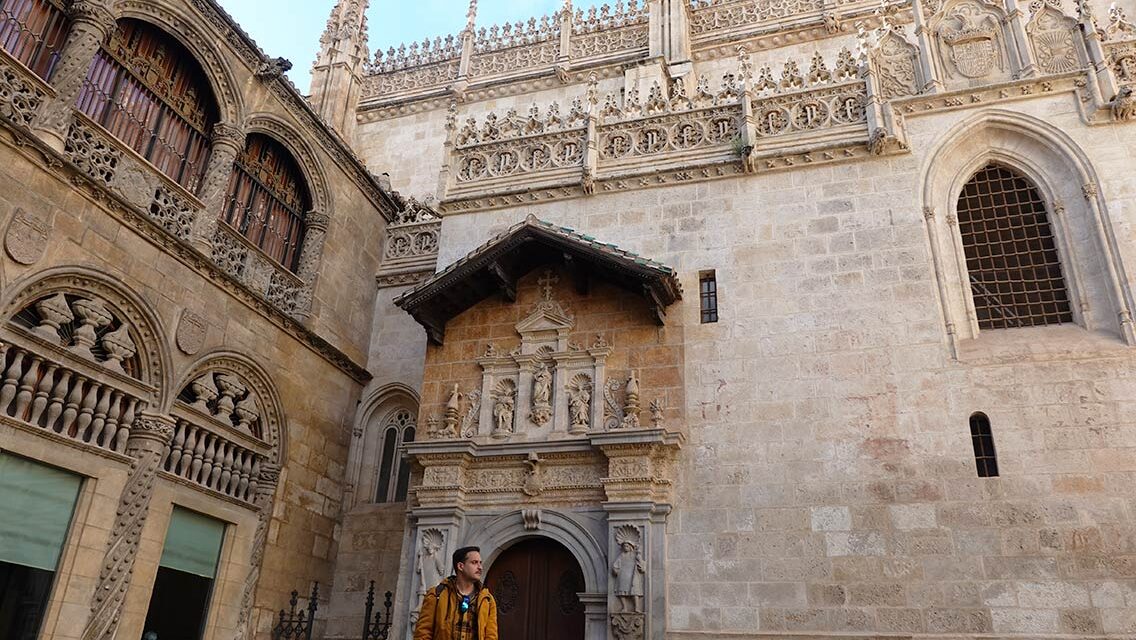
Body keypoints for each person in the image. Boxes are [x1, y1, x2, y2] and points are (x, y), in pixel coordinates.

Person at [414, 545, 498, 640]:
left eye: (480, 563)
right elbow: (423, 634)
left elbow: (491, 636)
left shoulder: (487, 600)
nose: (480, 567)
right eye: (474, 563)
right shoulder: (436, 594)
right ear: (460, 566)